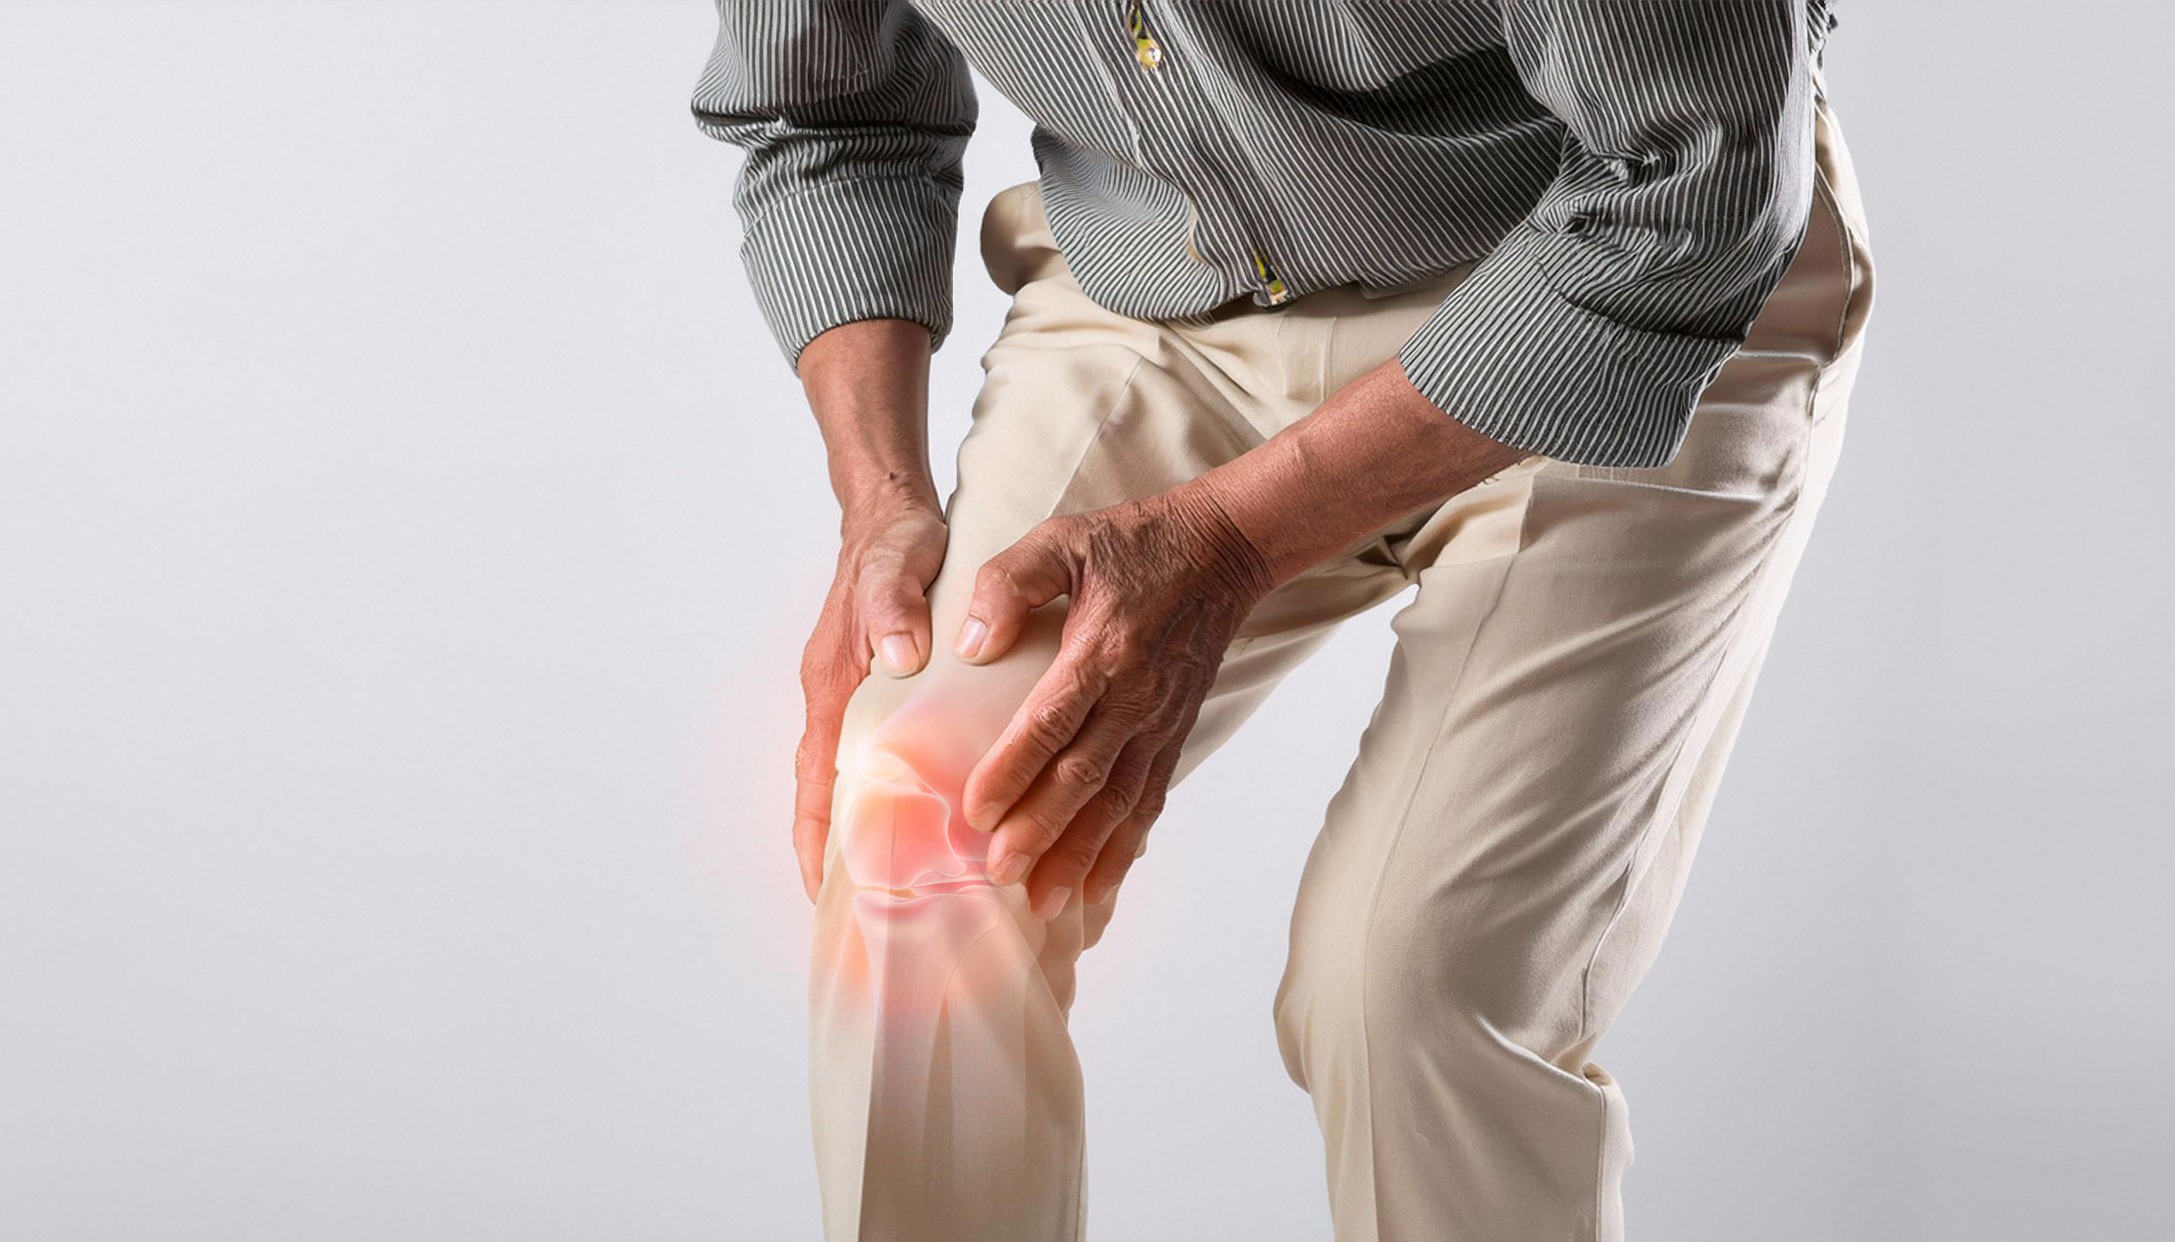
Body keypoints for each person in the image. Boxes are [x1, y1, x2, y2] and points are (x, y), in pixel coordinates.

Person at [692, 2, 1871, 1238]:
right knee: (923, 831)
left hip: (1611, 274)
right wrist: (880, 499)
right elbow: (824, 111)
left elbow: (1691, 187)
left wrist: (1233, 542)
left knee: (1408, 983)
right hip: (1165, 289)